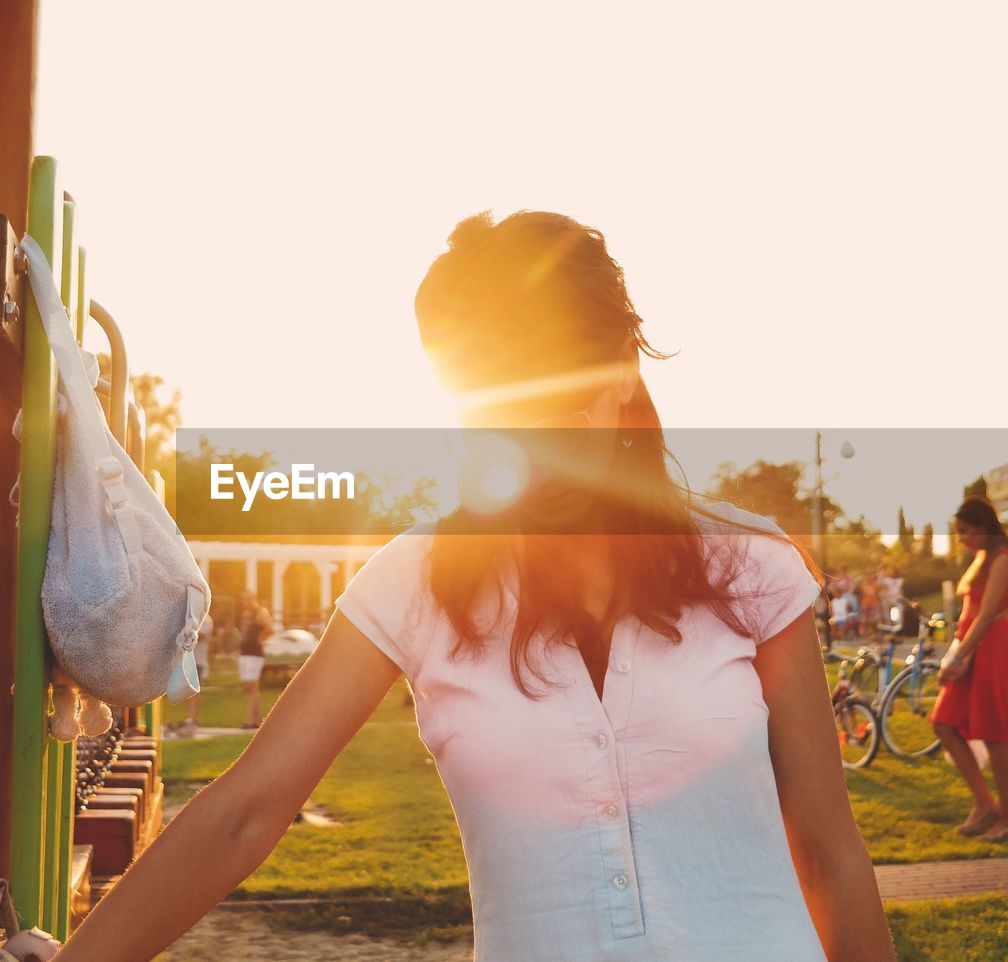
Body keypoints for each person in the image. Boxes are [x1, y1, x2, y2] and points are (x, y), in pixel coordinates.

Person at [54, 211, 893, 961]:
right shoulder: (412, 584)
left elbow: (828, 850)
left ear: (620, 374)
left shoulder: (752, 566)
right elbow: (246, 811)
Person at [929, 496, 1008, 838]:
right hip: (973, 649)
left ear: (981, 526)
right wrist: (956, 654)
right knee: (944, 722)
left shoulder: (1002, 558)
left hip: (994, 647)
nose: (960, 537)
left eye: (964, 530)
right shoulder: (982, 559)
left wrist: (961, 657)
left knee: (995, 734)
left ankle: (1005, 817)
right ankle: (985, 803)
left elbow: (988, 614)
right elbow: (968, 614)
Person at [172, 610, 214, 733]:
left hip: (198, 660)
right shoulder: (191, 619)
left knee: (194, 690)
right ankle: (190, 716)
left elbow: (199, 636)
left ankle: (193, 717)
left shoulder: (206, 620)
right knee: (189, 690)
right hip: (189, 660)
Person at [236, 592, 271, 729]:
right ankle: (255, 719)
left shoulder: (261, 612)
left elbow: (270, 628)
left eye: (246, 600)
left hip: (254, 654)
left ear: (252, 599)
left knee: (252, 686)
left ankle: (251, 720)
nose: (245, 603)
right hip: (244, 653)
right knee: (247, 687)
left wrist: (260, 638)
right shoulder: (246, 615)